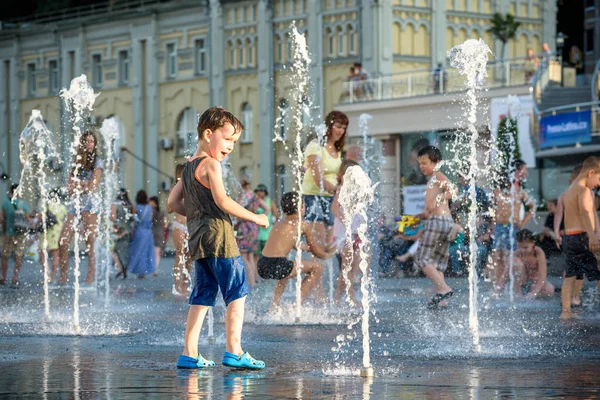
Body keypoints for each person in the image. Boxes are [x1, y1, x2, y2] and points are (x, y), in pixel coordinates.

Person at [167, 106, 268, 370]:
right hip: (220, 238)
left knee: (202, 295)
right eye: (228, 139)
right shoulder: (211, 164)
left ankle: (189, 353)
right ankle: (234, 350)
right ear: (208, 134)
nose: (231, 146)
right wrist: (255, 217)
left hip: (198, 238)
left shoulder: (188, 167)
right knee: (237, 292)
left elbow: (171, 202)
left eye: (235, 141)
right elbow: (222, 200)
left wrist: (197, 213)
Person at [257, 191, 335, 311]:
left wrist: (315, 249)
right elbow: (316, 252)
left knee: (284, 272)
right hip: (278, 265)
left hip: (262, 264)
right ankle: (297, 306)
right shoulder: (302, 225)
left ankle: (274, 307)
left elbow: (296, 245)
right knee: (317, 267)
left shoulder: (280, 223)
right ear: (301, 208)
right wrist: (328, 254)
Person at [58, 131, 103, 286]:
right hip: (75, 204)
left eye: (92, 141)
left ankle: (90, 277)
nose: (89, 144)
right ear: (82, 143)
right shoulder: (75, 162)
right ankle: (63, 277)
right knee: (63, 241)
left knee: (90, 241)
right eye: (87, 141)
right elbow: (69, 188)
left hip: (90, 205)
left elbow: (93, 187)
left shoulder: (98, 162)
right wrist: (83, 184)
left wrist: (81, 185)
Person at [414, 146, 457, 308]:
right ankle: (442, 298)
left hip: (437, 222)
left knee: (422, 258)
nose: (421, 167)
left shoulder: (438, 176)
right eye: (420, 164)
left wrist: (439, 198)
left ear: (437, 162)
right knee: (438, 262)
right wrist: (418, 217)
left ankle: (444, 289)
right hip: (446, 221)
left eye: (425, 163)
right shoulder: (434, 179)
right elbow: (430, 208)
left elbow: (453, 190)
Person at [559, 156, 600, 319]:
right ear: (590, 173)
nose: (598, 184)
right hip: (583, 237)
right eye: (598, 178)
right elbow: (584, 213)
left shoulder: (568, 191)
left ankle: (566, 312)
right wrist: (593, 236)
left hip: (569, 238)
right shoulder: (584, 191)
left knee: (570, 275)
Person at [302, 111, 347, 248]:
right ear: (329, 126)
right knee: (319, 242)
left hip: (330, 198)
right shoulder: (315, 146)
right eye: (338, 126)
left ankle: (323, 268)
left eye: (344, 128)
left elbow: (337, 175)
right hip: (313, 197)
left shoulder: (337, 150)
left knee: (328, 244)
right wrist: (338, 191)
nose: (341, 131)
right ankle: (312, 267)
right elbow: (318, 179)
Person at [492, 160, 535, 294]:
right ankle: (499, 288)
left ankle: (517, 288)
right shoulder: (499, 190)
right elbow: (492, 208)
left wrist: (522, 223)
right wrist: (492, 225)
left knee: (515, 257)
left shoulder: (519, 191)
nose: (526, 172)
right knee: (498, 257)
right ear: (516, 170)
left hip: (513, 228)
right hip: (499, 226)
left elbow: (532, 207)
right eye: (524, 169)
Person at [332, 159, 369, 306]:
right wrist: (345, 221)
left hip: (355, 231)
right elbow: (335, 208)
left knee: (354, 268)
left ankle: (343, 297)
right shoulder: (341, 189)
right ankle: (343, 298)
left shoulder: (356, 189)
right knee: (346, 268)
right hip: (345, 233)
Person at [235, 179, 266, 288]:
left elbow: (236, 210)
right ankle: (253, 282)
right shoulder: (254, 196)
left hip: (244, 227)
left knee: (243, 255)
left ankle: (250, 282)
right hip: (254, 227)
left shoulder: (242, 196)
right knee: (251, 256)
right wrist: (258, 217)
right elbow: (266, 208)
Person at [0, 184, 32, 287]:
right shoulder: (22, 203)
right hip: (21, 234)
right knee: (19, 256)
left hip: (9, 233)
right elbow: (28, 218)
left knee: (5, 256)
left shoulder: (5, 203)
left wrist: (4, 230)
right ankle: (15, 278)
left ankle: (4, 278)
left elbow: (2, 219)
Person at [170, 164, 193, 296]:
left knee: (189, 256)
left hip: (191, 225)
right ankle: (177, 285)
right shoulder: (175, 188)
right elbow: (169, 208)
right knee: (180, 254)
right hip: (179, 225)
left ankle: (184, 283)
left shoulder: (193, 187)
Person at [512, 229, 555, 300]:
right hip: (521, 283)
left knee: (550, 290)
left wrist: (534, 293)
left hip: (535, 282)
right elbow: (505, 273)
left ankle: (530, 295)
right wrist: (497, 289)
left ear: (533, 243)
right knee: (515, 261)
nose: (522, 250)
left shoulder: (539, 252)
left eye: (525, 247)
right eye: (519, 247)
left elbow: (542, 275)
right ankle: (518, 293)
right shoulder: (516, 254)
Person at [39, 188, 68, 283]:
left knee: (42, 253)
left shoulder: (47, 205)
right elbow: (66, 221)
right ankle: (53, 276)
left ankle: (46, 275)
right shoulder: (62, 207)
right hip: (58, 233)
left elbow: (40, 218)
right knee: (56, 255)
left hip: (47, 232)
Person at [128, 190, 156, 279]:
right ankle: (144, 271)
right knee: (147, 251)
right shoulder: (149, 208)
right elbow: (151, 219)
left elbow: (132, 219)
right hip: (148, 232)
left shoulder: (135, 207)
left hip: (139, 231)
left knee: (137, 251)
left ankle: (136, 269)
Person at [112, 188, 134, 279]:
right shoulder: (129, 204)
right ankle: (124, 267)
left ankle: (120, 268)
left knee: (114, 249)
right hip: (127, 230)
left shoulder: (115, 204)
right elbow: (132, 218)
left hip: (118, 229)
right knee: (124, 251)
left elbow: (112, 217)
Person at [254, 183, 279, 256]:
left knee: (268, 254)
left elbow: (276, 214)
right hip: (257, 234)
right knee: (256, 255)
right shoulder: (255, 202)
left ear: (265, 192)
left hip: (268, 233)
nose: (259, 192)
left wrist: (274, 224)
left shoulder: (270, 202)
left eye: (261, 191)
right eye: (258, 191)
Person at [149, 195, 168, 276]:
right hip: (160, 232)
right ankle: (155, 270)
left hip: (152, 232)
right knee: (157, 253)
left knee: (151, 252)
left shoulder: (151, 210)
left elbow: (149, 220)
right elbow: (166, 224)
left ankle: (151, 268)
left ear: (153, 202)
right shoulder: (162, 211)